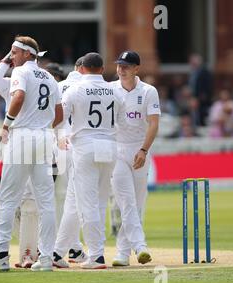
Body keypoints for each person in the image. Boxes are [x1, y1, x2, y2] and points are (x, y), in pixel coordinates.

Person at [0, 35, 63, 272]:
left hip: (22, 135)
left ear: (26, 53)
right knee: (46, 202)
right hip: (45, 137)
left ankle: (1, 255)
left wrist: (6, 124)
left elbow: (18, 97)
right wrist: (42, 124)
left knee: (7, 198)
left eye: (14, 52)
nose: (11, 56)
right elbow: (59, 115)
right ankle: (45, 258)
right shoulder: (48, 76)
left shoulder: (21, 73)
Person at [59, 52, 123, 269]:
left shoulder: (75, 89)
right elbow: (121, 120)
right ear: (102, 69)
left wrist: (61, 136)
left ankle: (96, 255)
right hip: (109, 146)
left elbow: (60, 117)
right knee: (97, 203)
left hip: (84, 146)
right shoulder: (115, 90)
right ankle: (59, 252)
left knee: (86, 205)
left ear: (82, 69)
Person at [110, 51, 160, 267]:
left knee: (137, 204)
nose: (121, 69)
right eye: (120, 65)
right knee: (126, 201)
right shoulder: (109, 89)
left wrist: (143, 150)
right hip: (116, 150)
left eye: (127, 66)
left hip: (139, 150)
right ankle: (140, 246)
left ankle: (122, 254)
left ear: (137, 69)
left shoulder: (149, 91)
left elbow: (153, 124)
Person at [188, 54, 212, 126]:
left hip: (201, 100)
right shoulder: (193, 72)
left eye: (193, 62)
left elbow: (206, 87)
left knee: (202, 115)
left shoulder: (204, 72)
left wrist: (199, 98)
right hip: (193, 98)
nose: (192, 64)